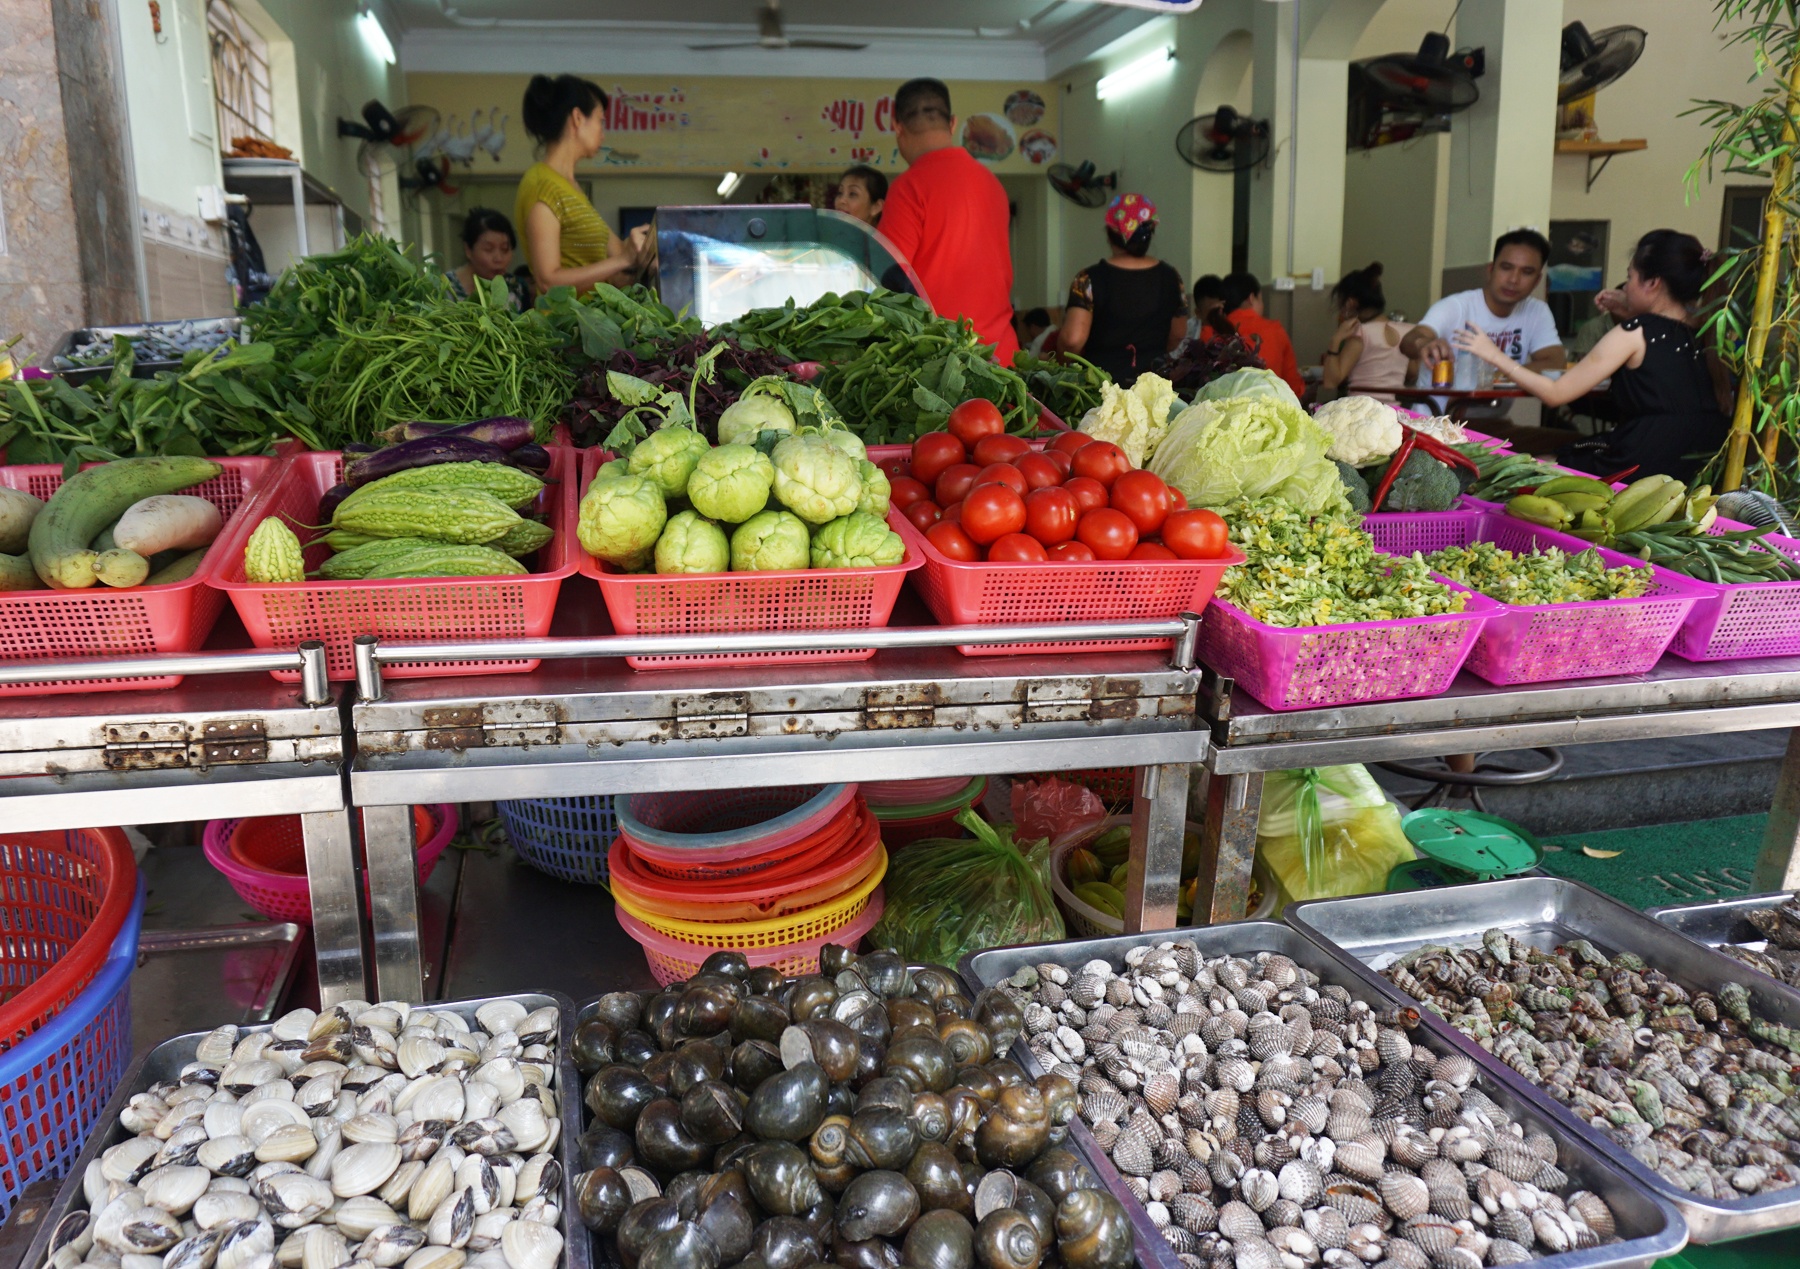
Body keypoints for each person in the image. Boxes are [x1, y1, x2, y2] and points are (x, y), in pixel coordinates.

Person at [1451, 229, 1728, 482]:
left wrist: (1492, 354)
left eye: (1630, 277)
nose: (1626, 287)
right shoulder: (1706, 332)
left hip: (1641, 460)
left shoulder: (1635, 332)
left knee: (1538, 467)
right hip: (1697, 463)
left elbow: (1556, 394)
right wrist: (1632, 311)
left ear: (1652, 282)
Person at [878, 77, 1019, 359]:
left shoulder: (909, 188)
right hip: (1002, 356)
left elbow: (886, 284)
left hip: (943, 365)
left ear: (897, 127)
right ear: (953, 124)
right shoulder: (992, 184)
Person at [514, 74, 649, 295]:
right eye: (600, 121)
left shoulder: (571, 189)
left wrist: (649, 245)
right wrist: (623, 260)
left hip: (589, 323)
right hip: (563, 327)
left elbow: (619, 252)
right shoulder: (542, 186)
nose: (603, 135)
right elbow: (548, 281)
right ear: (577, 118)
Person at [1056, 194, 1189, 387]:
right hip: (1154, 387)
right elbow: (1178, 333)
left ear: (1110, 231)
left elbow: (1072, 340)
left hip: (1101, 388)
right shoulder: (1171, 277)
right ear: (1151, 231)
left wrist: (1063, 367)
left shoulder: (1087, 279)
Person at [1401, 229, 1567, 381]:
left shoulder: (1537, 311)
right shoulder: (1456, 306)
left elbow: (1555, 362)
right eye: (1506, 268)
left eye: (1527, 272)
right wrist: (1424, 344)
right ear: (1490, 270)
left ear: (1537, 280)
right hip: (1440, 412)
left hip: (1491, 412)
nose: (1513, 280)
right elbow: (1409, 340)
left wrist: (1495, 378)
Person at [1320, 262, 1415, 403]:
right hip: (1395, 413)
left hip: (1362, 413)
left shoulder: (1361, 333)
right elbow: (1412, 373)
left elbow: (1330, 382)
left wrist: (1335, 340)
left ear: (1350, 303)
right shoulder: (1407, 331)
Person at [1211, 272, 1303, 397]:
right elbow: (1293, 385)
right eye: (1261, 299)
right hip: (1273, 408)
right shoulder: (1274, 330)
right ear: (1251, 298)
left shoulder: (1211, 332)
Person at [447, 208, 533, 310]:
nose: (499, 258)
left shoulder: (517, 288)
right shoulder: (445, 288)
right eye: (488, 249)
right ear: (468, 250)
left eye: (505, 249)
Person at [1185, 274, 1226, 343]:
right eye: (1214, 311)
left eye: (1223, 305)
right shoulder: (1188, 334)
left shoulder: (1232, 325)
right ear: (1198, 313)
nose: (1220, 313)